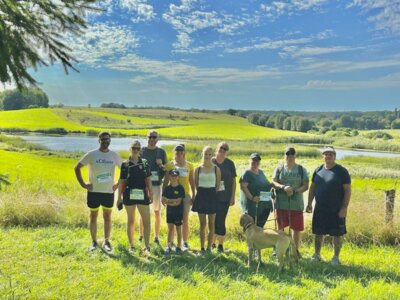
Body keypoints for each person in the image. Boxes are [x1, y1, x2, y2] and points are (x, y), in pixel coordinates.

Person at [74, 131, 122, 252]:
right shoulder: (92, 154)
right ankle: (94, 242)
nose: (105, 141)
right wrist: (83, 184)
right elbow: (77, 167)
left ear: (110, 140)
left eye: (107, 139)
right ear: (99, 140)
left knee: (107, 217)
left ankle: (106, 241)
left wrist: (118, 183)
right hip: (94, 191)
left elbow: (124, 170)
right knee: (93, 216)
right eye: (103, 139)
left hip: (108, 192)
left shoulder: (114, 155)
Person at [306, 146, 351, 266]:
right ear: (323, 156)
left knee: (337, 234)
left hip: (336, 208)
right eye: (325, 154)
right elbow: (313, 187)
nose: (328, 156)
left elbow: (347, 190)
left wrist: (344, 207)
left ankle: (335, 257)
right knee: (318, 232)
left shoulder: (342, 171)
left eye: (330, 154)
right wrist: (309, 203)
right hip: (320, 207)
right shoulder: (318, 170)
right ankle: (317, 255)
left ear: (334, 156)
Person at [271, 147, 309, 257]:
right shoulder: (279, 168)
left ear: (295, 156)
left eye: (292, 154)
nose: (290, 157)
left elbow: (306, 185)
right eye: (288, 155)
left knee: (296, 229)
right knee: (280, 228)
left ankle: (294, 250)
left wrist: (295, 191)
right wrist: (283, 187)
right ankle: (278, 249)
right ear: (284, 156)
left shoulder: (301, 169)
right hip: (281, 204)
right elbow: (273, 182)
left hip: (296, 204)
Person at [117, 140, 153, 254]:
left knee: (147, 221)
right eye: (134, 148)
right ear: (130, 149)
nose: (136, 150)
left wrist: (151, 193)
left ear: (140, 150)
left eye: (138, 148)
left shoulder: (144, 163)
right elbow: (122, 181)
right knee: (131, 221)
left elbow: (148, 179)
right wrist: (119, 198)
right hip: (129, 195)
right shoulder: (125, 164)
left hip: (142, 194)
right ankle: (131, 245)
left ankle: (147, 246)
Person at [164, 144, 195, 251]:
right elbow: (166, 181)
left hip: (185, 195)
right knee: (172, 221)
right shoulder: (170, 165)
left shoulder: (189, 165)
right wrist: (163, 195)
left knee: (184, 219)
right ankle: (171, 242)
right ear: (174, 152)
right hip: (172, 195)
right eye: (177, 151)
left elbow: (192, 181)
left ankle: (184, 242)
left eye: (181, 151)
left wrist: (194, 195)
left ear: (184, 153)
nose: (179, 153)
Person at [140, 130, 167, 245]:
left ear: (157, 139)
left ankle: (156, 237)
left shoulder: (161, 152)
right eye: (150, 137)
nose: (152, 139)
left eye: (154, 137)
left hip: (156, 186)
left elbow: (167, 170)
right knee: (143, 212)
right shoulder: (142, 151)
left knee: (156, 212)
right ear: (147, 138)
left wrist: (161, 165)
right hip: (144, 186)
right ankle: (141, 235)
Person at [192, 146, 221, 254]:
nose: (207, 156)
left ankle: (209, 248)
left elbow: (217, 186)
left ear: (212, 155)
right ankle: (202, 248)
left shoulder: (216, 169)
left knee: (211, 224)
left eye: (209, 154)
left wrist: (212, 194)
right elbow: (196, 185)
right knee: (202, 224)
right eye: (206, 154)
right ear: (202, 155)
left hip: (212, 196)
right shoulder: (197, 169)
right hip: (201, 196)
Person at [211, 142, 236, 253]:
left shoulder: (230, 163)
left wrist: (232, 196)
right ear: (217, 148)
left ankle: (220, 245)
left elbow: (234, 181)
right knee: (212, 221)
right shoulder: (211, 161)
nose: (223, 150)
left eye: (225, 149)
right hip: (212, 196)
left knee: (221, 220)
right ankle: (211, 243)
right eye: (221, 147)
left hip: (225, 197)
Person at [240, 153, 272, 228]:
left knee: (259, 229)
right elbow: (243, 187)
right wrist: (252, 198)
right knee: (252, 230)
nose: (255, 162)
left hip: (264, 206)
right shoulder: (246, 173)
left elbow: (266, 184)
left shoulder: (261, 172)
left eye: (257, 161)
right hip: (252, 207)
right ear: (249, 161)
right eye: (253, 160)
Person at [162, 169, 185, 255]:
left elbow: (178, 202)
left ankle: (179, 246)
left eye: (175, 176)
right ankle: (168, 246)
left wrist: (169, 201)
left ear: (178, 177)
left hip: (178, 212)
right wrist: (171, 201)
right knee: (170, 229)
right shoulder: (167, 188)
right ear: (169, 177)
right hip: (169, 212)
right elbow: (163, 199)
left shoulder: (180, 188)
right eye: (172, 176)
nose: (174, 177)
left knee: (179, 229)